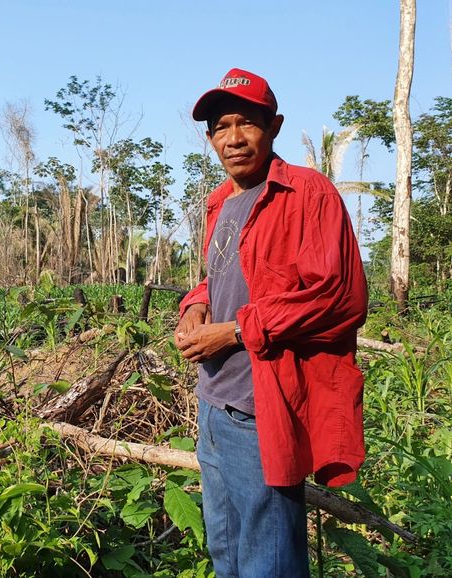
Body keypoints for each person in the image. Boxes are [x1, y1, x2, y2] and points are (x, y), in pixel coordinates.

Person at [174, 68, 368, 577]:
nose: (233, 138)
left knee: (269, 558)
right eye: (220, 126)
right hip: (213, 405)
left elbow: (339, 296)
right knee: (226, 550)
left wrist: (235, 330)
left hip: (262, 410)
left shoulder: (308, 194)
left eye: (247, 123)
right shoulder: (220, 201)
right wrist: (195, 307)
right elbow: (221, 277)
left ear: (274, 126)